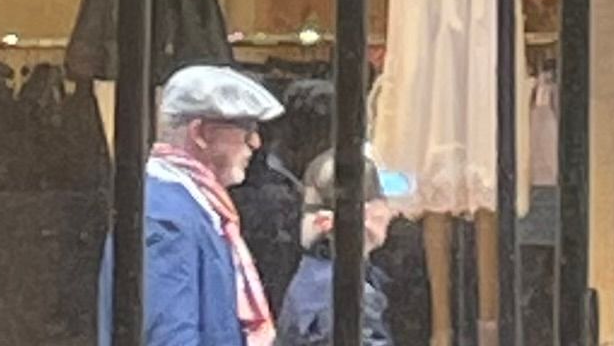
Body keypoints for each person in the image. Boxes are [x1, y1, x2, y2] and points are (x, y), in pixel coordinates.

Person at [108, 62, 285, 346]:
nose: (255, 142)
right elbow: (169, 338)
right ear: (200, 133)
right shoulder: (166, 215)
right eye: (245, 128)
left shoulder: (185, 205)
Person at [274, 152, 414, 346]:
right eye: (384, 201)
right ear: (366, 212)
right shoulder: (354, 294)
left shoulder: (311, 274)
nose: (393, 213)